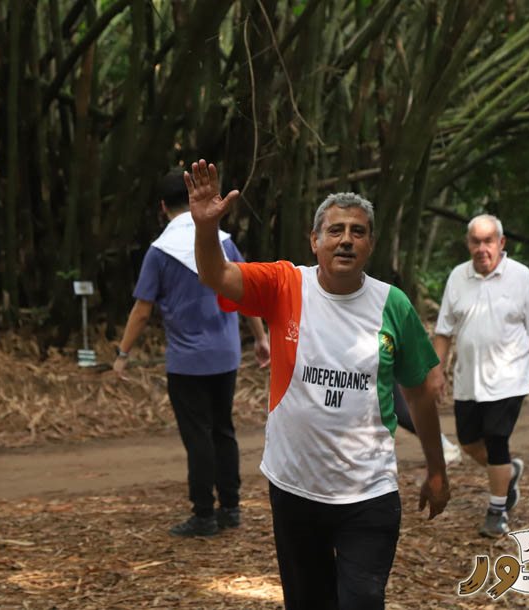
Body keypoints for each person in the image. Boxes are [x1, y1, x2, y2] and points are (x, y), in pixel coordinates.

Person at [187, 158, 449, 610]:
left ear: (370, 244)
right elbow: (216, 275)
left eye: (358, 231)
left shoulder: (394, 304)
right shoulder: (285, 284)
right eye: (335, 230)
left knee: (363, 599)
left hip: (369, 491)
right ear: (315, 241)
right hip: (295, 489)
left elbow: (420, 391)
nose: (346, 239)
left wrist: (437, 468)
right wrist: (206, 228)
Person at [113, 169, 270, 538]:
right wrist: (260, 337)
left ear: (163, 207)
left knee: (197, 435)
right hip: (226, 353)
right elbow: (245, 290)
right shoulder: (224, 242)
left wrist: (122, 353)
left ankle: (204, 514)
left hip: (187, 362)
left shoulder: (159, 252)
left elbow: (142, 309)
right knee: (223, 429)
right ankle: (231, 508)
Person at [432, 214, 529, 538]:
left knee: (497, 439)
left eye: (488, 241)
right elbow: (443, 332)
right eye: (476, 241)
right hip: (468, 380)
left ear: (501, 243)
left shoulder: (521, 277)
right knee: (469, 441)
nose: (481, 248)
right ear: (468, 244)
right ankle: (508, 473)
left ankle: (497, 511)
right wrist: (436, 371)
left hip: (508, 377)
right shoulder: (458, 277)